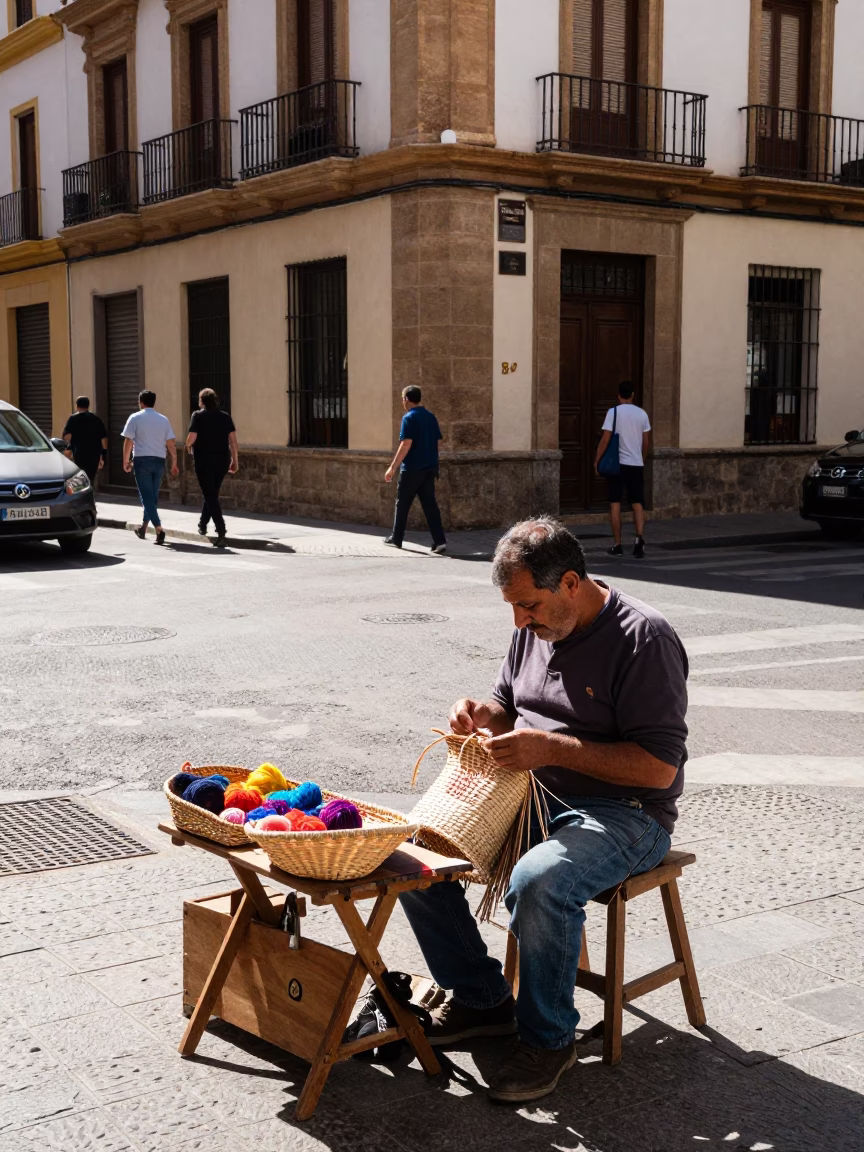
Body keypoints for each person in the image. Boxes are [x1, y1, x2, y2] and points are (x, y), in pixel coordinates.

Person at [400, 517, 688, 1104]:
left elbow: (659, 769)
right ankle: (481, 1001)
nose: (519, 621)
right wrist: (481, 714)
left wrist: (551, 748)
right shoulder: (536, 625)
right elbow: (509, 705)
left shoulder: (644, 638)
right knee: (408, 854)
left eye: (527, 605)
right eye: (512, 607)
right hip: (530, 794)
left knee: (540, 881)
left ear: (572, 584)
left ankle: (550, 1040)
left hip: (626, 815)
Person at [383, 386, 446, 554]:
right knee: (430, 505)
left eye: (403, 399)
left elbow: (406, 443)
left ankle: (396, 539)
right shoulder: (431, 417)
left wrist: (392, 467)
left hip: (411, 469)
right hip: (430, 468)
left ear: (406, 400)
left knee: (402, 503)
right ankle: (440, 541)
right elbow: (437, 442)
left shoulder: (409, 418)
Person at [594, 382, 651, 558]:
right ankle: (639, 539)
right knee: (637, 504)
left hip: (617, 466)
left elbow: (605, 439)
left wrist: (597, 460)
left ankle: (618, 544)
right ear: (632, 395)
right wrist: (642, 458)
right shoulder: (642, 414)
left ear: (619, 395)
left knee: (615, 503)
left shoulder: (614, 412)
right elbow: (646, 442)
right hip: (635, 464)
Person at [121, 390, 179, 544]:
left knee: (147, 497)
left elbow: (128, 441)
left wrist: (125, 461)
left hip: (142, 462)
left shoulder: (135, 418)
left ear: (141, 402)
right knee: (151, 496)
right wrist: (174, 462)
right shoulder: (163, 420)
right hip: (159, 461)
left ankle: (159, 529)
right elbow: (171, 443)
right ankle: (143, 527)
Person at [185, 388, 238, 546]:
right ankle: (202, 524)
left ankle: (221, 531)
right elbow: (233, 442)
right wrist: (235, 460)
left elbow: (191, 438)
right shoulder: (225, 417)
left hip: (204, 461)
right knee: (212, 493)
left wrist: (188, 446)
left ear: (201, 401)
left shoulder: (197, 416)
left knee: (210, 495)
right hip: (221, 461)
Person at [62, 396, 107, 484]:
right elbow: (104, 439)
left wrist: (69, 446)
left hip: (79, 453)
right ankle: (89, 494)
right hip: (94, 454)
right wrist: (103, 455)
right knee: (90, 479)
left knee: (80, 479)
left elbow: (67, 437)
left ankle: (83, 496)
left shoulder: (73, 419)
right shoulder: (96, 419)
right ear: (88, 406)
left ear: (77, 406)